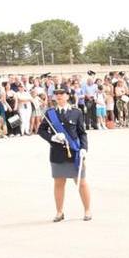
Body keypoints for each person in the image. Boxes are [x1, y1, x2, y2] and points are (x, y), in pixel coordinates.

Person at [39, 87, 92, 222]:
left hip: (75, 153)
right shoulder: (50, 113)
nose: (59, 96)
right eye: (56, 94)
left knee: (81, 182)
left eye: (62, 94)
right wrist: (52, 138)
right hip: (57, 153)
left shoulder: (76, 112)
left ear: (68, 96)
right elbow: (41, 130)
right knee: (58, 183)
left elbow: (82, 133)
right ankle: (59, 212)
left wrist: (84, 148)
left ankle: (87, 210)